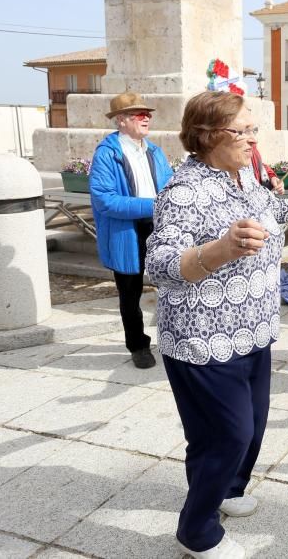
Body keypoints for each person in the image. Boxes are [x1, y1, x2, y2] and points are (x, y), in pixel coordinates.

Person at [146, 90, 288, 558]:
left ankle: (226, 491)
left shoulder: (243, 176)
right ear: (206, 136)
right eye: (240, 131)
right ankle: (197, 531)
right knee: (227, 434)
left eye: (252, 130)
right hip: (202, 337)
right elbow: (159, 266)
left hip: (252, 329)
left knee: (252, 427)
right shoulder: (184, 191)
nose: (251, 140)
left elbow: (280, 213)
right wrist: (220, 249)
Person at [89, 92, 174, 369]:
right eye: (139, 114)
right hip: (127, 231)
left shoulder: (155, 151)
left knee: (172, 284)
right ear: (121, 121)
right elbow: (105, 200)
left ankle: (174, 337)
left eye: (147, 114)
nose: (146, 117)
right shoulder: (107, 154)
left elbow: (170, 186)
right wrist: (155, 205)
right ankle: (138, 345)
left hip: (158, 226)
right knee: (130, 292)